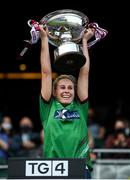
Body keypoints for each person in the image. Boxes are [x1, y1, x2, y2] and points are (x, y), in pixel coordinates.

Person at [39, 25, 95, 179]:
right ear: (55, 92)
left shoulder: (80, 106)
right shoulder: (48, 108)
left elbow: (84, 73)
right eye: (62, 87)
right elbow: (46, 73)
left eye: (70, 88)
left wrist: (84, 41)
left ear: (75, 91)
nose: (66, 90)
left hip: (80, 167)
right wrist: (44, 39)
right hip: (53, 169)